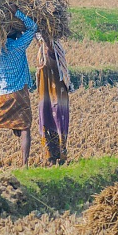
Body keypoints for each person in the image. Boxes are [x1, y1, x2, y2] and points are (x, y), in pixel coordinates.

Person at [0, 10, 38, 169]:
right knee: (25, 127)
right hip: (20, 93)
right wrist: (18, 12)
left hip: (4, 94)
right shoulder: (19, 46)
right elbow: (33, 28)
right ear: (15, 34)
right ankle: (24, 164)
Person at [35, 34, 70, 165]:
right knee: (46, 120)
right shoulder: (43, 51)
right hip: (47, 95)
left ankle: (60, 154)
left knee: (57, 120)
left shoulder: (53, 49)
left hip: (56, 95)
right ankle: (50, 154)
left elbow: (47, 42)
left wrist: (43, 29)